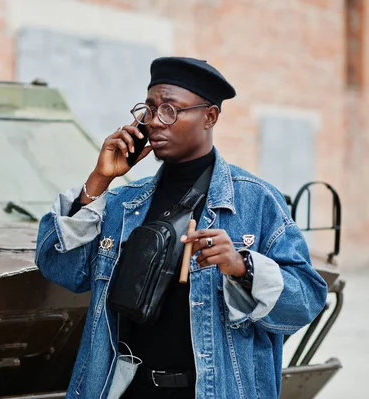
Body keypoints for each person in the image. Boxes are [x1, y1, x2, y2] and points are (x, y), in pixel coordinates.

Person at [35, 57, 328, 399]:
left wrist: (243, 267)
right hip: (126, 390)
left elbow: (306, 301)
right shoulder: (124, 202)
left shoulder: (257, 201)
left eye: (170, 110)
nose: (155, 122)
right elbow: (61, 268)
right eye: (150, 108)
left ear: (209, 116)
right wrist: (99, 180)